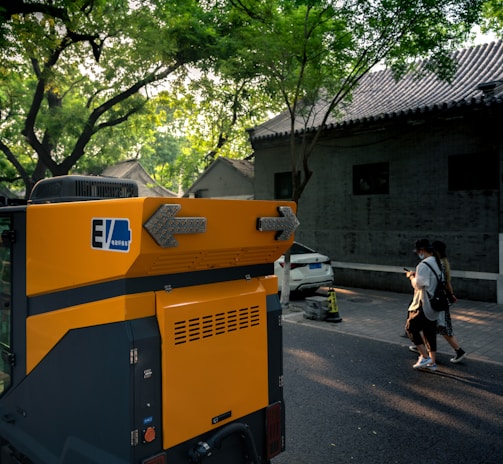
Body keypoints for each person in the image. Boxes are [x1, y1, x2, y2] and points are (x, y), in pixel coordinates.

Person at [404, 239, 442, 371]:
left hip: (423, 303)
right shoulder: (438, 262)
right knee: (429, 332)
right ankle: (432, 362)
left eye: (419, 251)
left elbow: (419, 284)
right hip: (435, 305)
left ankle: (424, 356)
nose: (418, 254)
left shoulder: (423, 265)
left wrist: (411, 277)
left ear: (422, 250)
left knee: (411, 327)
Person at [431, 240, 467, 363]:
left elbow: (445, 283)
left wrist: (451, 295)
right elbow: (447, 282)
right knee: (432, 324)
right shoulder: (443, 263)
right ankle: (422, 344)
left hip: (439, 300)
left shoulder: (438, 264)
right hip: (440, 299)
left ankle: (459, 351)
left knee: (443, 326)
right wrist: (451, 295)